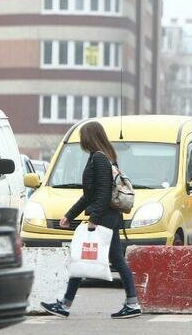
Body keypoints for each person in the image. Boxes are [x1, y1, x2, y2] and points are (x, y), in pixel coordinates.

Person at [41, 121, 141, 319]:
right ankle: (132, 303)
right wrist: (69, 215)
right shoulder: (104, 157)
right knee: (116, 259)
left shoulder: (99, 159)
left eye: (82, 136)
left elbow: (102, 194)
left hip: (104, 217)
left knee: (82, 256)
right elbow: (88, 195)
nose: (81, 141)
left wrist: (94, 219)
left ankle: (65, 304)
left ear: (89, 138)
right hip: (109, 216)